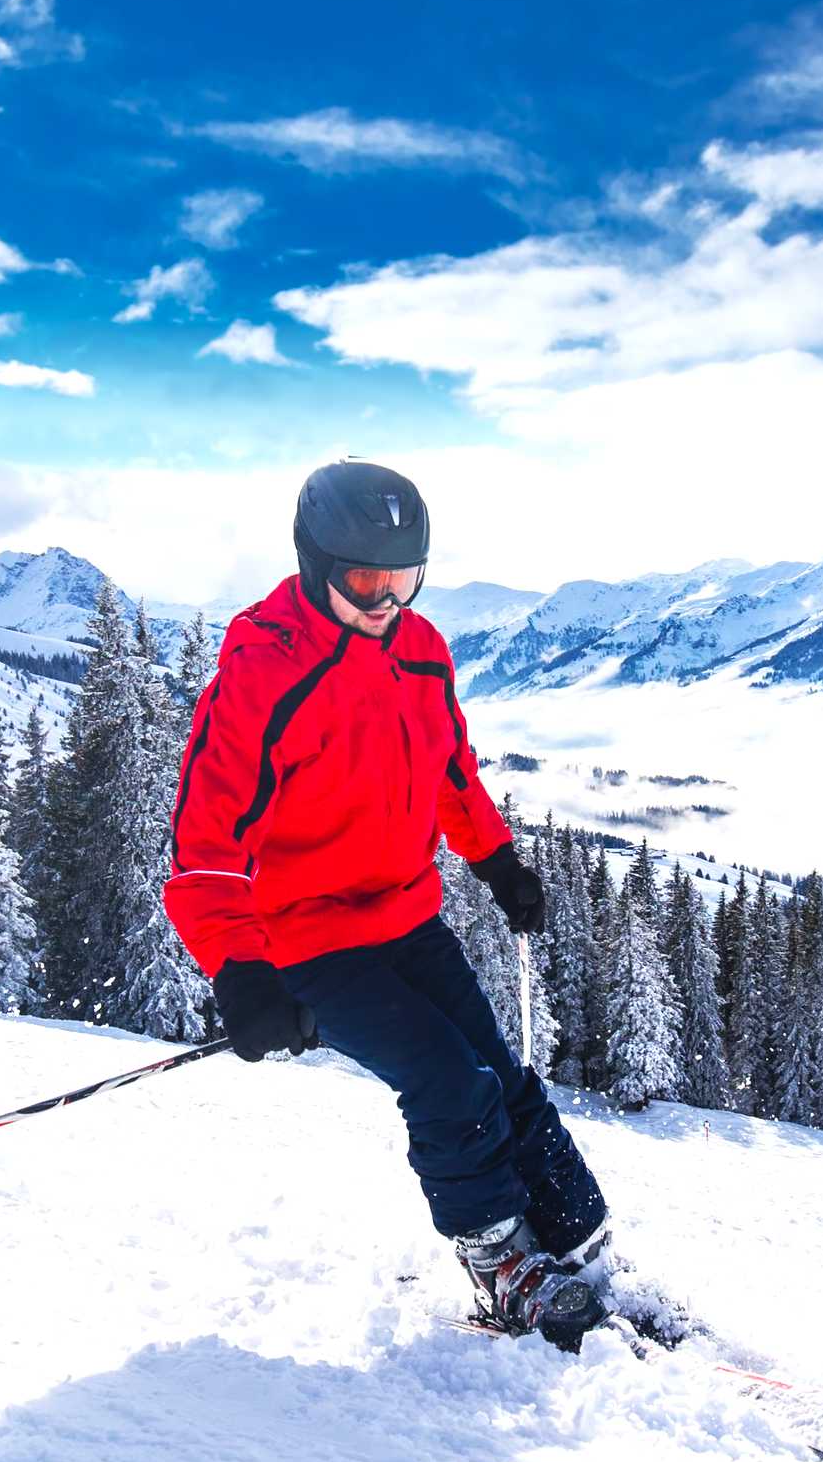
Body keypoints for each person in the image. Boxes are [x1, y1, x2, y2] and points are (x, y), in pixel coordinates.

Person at [164, 460, 610, 1346]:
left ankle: (579, 1242)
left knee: (502, 1075)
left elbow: (450, 773)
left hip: (407, 914)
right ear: (314, 562)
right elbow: (204, 843)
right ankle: (503, 1266)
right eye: (365, 580)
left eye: (403, 580)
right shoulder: (263, 670)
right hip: (307, 940)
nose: (385, 601)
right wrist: (241, 971)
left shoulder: (421, 650)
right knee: (450, 1087)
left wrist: (499, 862)